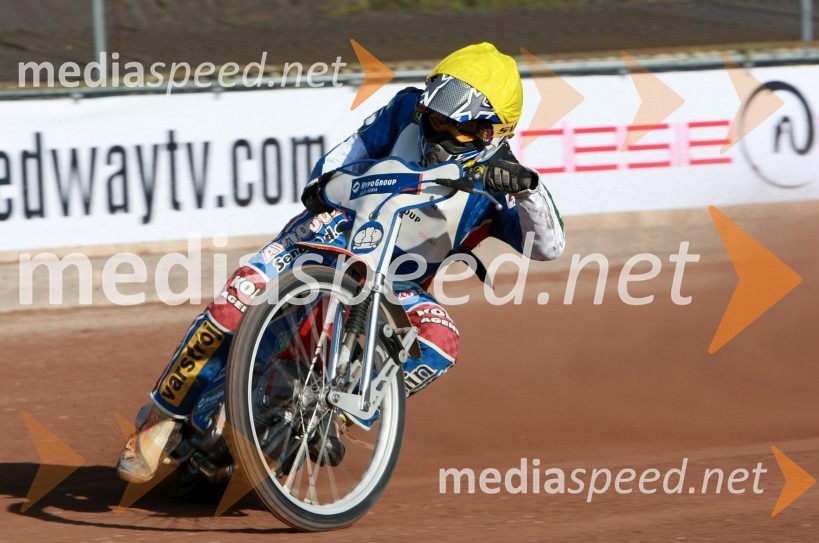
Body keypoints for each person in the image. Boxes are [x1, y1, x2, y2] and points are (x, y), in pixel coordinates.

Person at [117, 42, 565, 483]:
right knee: (237, 298)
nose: (438, 133)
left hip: (393, 286)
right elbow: (338, 161)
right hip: (331, 234)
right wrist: (324, 185)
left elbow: (548, 247)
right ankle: (160, 417)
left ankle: (337, 412)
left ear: (493, 132)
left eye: (457, 129)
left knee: (440, 339)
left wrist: (528, 189)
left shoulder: (504, 179)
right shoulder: (405, 108)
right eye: (435, 119)